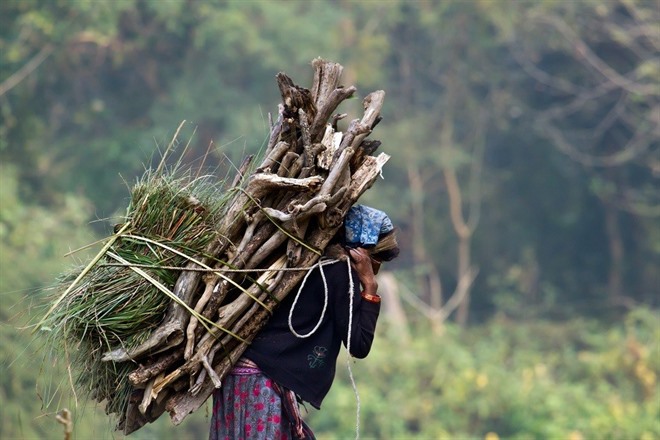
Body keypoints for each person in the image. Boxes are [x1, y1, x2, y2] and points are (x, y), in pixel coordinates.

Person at [209, 205, 400, 440]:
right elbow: (359, 344)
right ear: (362, 252)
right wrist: (370, 287)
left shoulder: (308, 256)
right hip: (262, 384)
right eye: (377, 258)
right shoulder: (339, 272)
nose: (377, 268)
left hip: (238, 375)